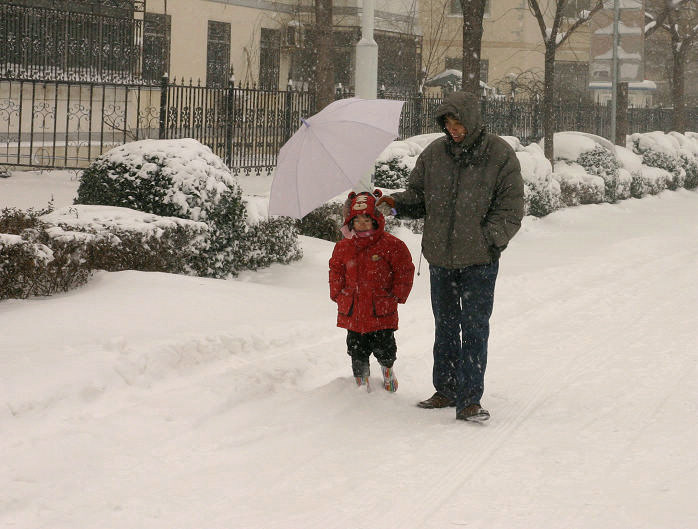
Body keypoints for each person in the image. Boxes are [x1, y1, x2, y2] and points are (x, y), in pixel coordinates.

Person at [376, 90, 525, 421]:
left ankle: (470, 398)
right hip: (441, 258)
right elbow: (418, 196)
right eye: (448, 124)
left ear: (471, 121)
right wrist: (396, 202)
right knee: (445, 326)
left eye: (458, 124)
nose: (454, 130)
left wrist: (489, 241)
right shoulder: (435, 154)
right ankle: (445, 389)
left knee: (473, 327)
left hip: (479, 261)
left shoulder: (499, 155)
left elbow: (511, 208)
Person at [329, 190, 415, 392]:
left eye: (367, 220)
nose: (362, 224)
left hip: (381, 309)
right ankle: (361, 382)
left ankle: (387, 370)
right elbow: (336, 270)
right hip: (353, 310)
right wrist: (338, 294)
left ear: (376, 220)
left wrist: (396, 295)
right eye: (357, 220)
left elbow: (404, 270)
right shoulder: (344, 247)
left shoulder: (391, 245)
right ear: (351, 222)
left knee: (385, 348)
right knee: (356, 350)